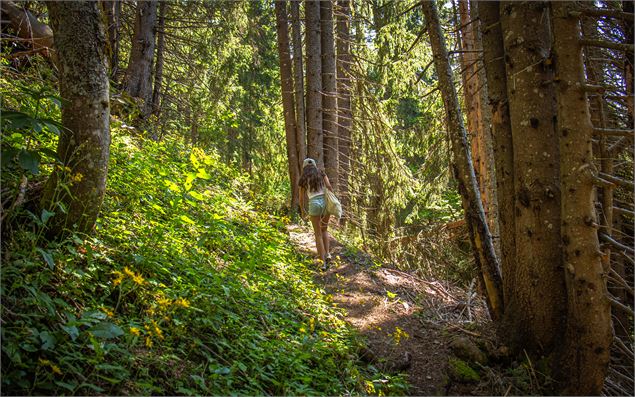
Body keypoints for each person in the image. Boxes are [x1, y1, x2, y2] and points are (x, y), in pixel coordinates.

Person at [298, 158, 333, 269]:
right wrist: (332, 199)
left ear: (304, 168)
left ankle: (322, 263)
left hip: (314, 203)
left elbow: (301, 198)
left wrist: (303, 210)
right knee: (324, 229)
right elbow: (329, 187)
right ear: (314, 165)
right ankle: (327, 253)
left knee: (317, 234)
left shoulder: (303, 179)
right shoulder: (321, 174)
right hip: (325, 203)